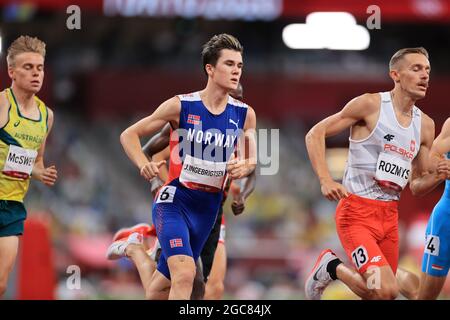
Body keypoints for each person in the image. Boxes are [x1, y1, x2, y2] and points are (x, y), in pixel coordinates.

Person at [119, 34, 257, 300]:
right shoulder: (181, 105)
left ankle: (135, 250)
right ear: (210, 68)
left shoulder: (245, 114)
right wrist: (143, 165)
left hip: (208, 210)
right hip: (175, 203)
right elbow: (129, 135)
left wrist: (246, 165)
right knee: (184, 275)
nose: (236, 71)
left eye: (239, 65)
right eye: (229, 64)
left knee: (164, 288)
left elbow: (252, 156)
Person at [304, 47, 446, 300]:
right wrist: (325, 179)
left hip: (390, 217)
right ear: (396, 74)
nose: (425, 75)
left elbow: (417, 185)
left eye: (427, 70)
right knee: (386, 290)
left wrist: (438, 176)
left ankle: (373, 274)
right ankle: (330, 266)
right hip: (356, 212)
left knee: (381, 294)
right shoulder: (370, 105)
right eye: (416, 69)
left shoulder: (425, 124)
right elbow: (315, 134)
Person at [0, 36, 58, 296]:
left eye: (40, 68)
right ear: (11, 72)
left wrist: (41, 172)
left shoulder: (46, 116)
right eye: (28, 67)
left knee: (1, 283)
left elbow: (35, 162)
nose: (36, 73)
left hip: (12, 207)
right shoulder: (2, 105)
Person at [418, 117, 450, 299]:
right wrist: (442, 166)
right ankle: (392, 275)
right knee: (425, 296)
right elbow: (433, 156)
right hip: (446, 220)